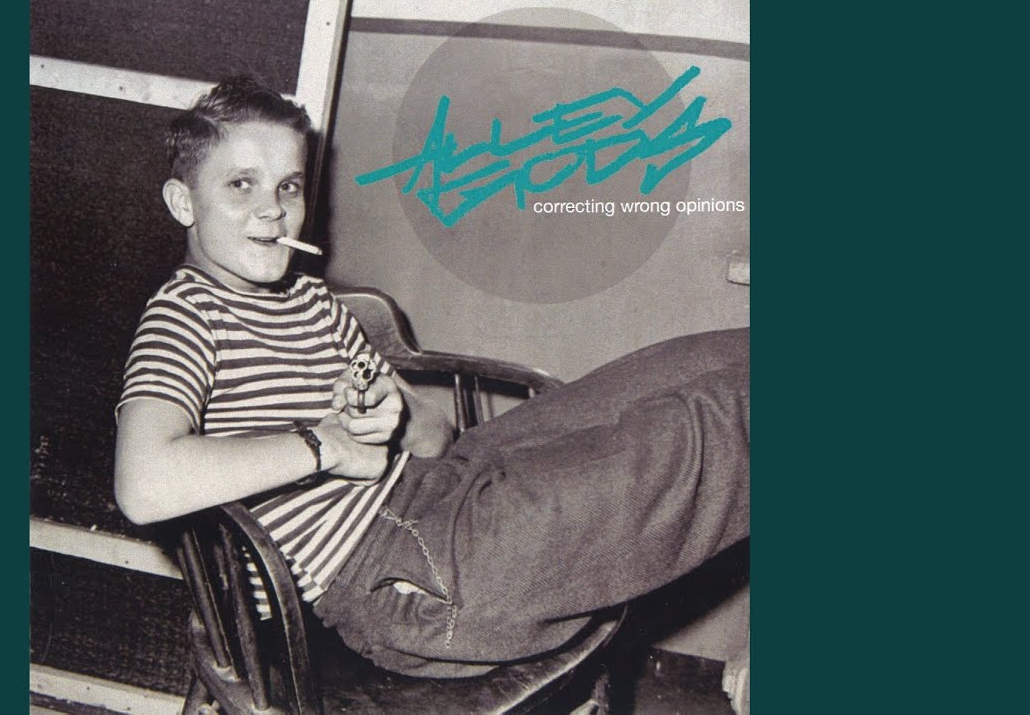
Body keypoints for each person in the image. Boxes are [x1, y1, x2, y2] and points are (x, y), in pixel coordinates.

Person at [114, 76, 749, 679]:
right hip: (397, 575)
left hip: (444, 483)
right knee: (697, 434)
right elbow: (143, 485)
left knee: (689, 368)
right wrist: (323, 446)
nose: (273, 211)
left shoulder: (308, 300)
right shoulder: (185, 315)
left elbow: (436, 438)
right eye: (240, 185)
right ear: (183, 202)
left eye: (288, 187)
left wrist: (389, 411)